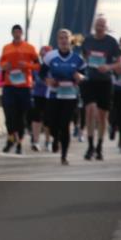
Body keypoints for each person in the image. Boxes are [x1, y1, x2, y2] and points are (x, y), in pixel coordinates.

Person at [41, 29, 87, 165]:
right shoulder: (50, 56)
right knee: (51, 123)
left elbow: (85, 75)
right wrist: (47, 81)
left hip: (70, 96)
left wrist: (80, 77)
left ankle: (64, 156)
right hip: (54, 94)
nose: (63, 40)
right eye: (61, 38)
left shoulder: (77, 58)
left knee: (65, 124)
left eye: (66, 38)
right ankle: (56, 138)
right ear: (57, 40)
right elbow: (42, 73)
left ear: (70, 40)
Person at [79, 16, 121, 161]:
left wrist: (108, 67)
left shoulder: (111, 42)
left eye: (102, 25)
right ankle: (90, 145)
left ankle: (99, 146)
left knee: (103, 116)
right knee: (90, 111)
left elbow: (120, 63)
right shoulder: (88, 40)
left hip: (105, 82)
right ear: (94, 26)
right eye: (98, 25)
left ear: (106, 27)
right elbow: (85, 57)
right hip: (90, 80)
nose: (100, 28)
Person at [0, 24, 40, 154]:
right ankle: (11, 137)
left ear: (21, 34)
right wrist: (5, 66)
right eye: (15, 32)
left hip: (24, 86)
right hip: (9, 85)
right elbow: (1, 63)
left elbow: (38, 65)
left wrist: (26, 65)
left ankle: (19, 142)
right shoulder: (6, 48)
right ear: (12, 34)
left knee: (21, 116)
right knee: (9, 113)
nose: (17, 34)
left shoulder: (30, 48)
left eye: (19, 32)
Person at [29, 45, 53, 152]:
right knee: (36, 118)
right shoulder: (36, 66)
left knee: (48, 120)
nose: (44, 56)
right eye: (42, 54)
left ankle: (48, 141)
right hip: (37, 94)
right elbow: (31, 79)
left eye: (46, 54)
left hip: (50, 94)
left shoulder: (53, 65)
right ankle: (36, 141)